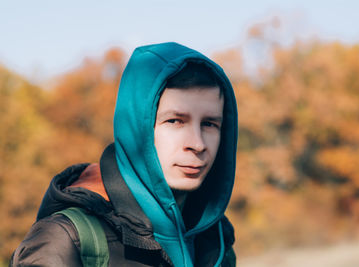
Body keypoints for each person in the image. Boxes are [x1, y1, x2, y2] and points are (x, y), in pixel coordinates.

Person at [11, 42, 238, 266]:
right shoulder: (66, 240)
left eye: (209, 124)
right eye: (175, 121)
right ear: (136, 128)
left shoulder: (214, 239)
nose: (197, 144)